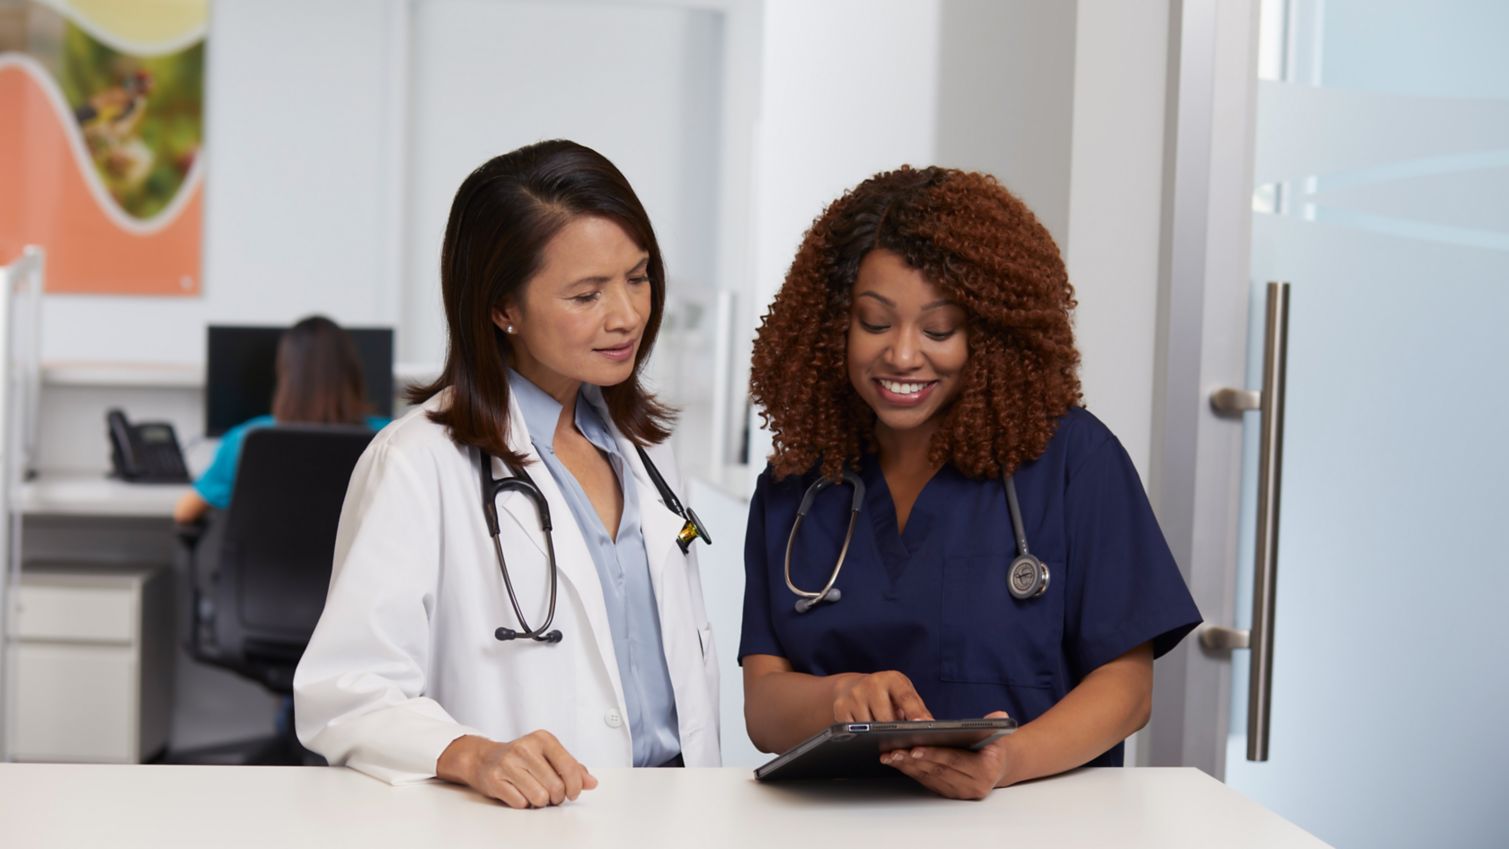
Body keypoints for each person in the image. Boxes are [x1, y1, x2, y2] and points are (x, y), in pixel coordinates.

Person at [739, 166, 1201, 800]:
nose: (902, 355)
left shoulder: (1073, 461)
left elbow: (1127, 690)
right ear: (829, 328)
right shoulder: (796, 485)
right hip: (840, 826)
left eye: (938, 330)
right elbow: (763, 708)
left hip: (1030, 826)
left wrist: (1005, 762)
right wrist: (839, 696)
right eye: (874, 323)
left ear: (990, 334)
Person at [294, 140, 720, 809]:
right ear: (502, 308)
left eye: (637, 277)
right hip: (531, 821)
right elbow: (344, 691)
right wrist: (473, 753)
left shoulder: (644, 449)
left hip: (673, 810)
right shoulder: (418, 463)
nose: (627, 315)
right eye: (586, 293)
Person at [172, 315, 388, 525]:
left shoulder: (247, 439)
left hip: (261, 562)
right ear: (353, 372)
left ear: (285, 374)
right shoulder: (387, 437)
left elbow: (184, 512)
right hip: (354, 561)